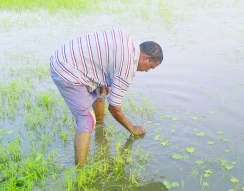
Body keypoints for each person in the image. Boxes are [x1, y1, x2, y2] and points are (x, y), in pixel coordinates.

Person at [50, 29, 163, 167]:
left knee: (103, 89)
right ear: (145, 58)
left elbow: (103, 56)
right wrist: (132, 128)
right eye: (150, 67)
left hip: (64, 55)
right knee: (86, 120)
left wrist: (106, 81)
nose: (146, 71)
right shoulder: (127, 68)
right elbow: (114, 108)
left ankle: (100, 127)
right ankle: (80, 171)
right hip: (66, 70)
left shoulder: (126, 38)